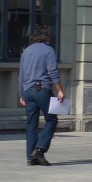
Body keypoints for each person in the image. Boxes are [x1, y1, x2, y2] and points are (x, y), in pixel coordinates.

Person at [18, 25, 65, 166]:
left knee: (31, 124)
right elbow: (53, 72)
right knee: (51, 120)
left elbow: (21, 74)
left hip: (27, 90)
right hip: (41, 89)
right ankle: (39, 149)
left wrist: (21, 94)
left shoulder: (26, 51)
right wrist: (60, 90)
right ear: (47, 37)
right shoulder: (48, 50)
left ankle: (31, 158)